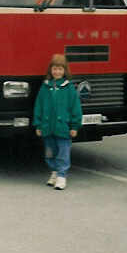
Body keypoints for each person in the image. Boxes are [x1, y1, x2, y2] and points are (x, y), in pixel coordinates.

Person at [33, 54, 82, 190]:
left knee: (63, 153)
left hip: (63, 129)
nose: (57, 72)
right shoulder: (45, 87)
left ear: (65, 71)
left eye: (60, 69)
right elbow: (39, 106)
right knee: (50, 152)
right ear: (50, 70)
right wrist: (38, 124)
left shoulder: (69, 88)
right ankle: (54, 172)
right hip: (48, 128)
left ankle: (62, 176)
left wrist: (74, 126)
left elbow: (75, 108)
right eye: (54, 69)